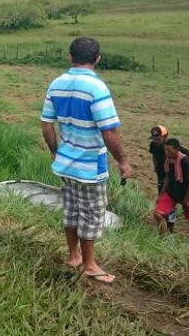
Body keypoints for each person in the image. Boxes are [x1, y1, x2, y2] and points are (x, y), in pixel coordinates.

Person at [41, 37, 132, 284]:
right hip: (90, 166)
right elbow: (109, 131)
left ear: (70, 57)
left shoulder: (56, 84)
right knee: (92, 214)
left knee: (71, 210)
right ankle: (90, 265)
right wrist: (123, 161)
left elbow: (47, 124)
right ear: (97, 59)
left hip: (66, 164)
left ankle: (74, 256)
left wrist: (55, 151)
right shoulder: (97, 88)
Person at [153, 138, 189, 244]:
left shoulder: (185, 162)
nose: (166, 153)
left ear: (177, 149)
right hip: (172, 193)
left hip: (186, 194)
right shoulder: (168, 160)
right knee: (158, 214)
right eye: (165, 150)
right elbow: (167, 179)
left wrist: (186, 200)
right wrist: (160, 195)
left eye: (169, 150)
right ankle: (164, 241)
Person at [148, 125, 189, 233]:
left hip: (173, 179)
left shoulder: (174, 147)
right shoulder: (153, 146)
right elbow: (154, 156)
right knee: (163, 198)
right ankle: (166, 223)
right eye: (154, 139)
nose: (155, 141)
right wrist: (156, 167)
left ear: (165, 137)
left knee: (171, 199)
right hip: (162, 176)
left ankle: (170, 226)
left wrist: (187, 171)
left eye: (158, 139)